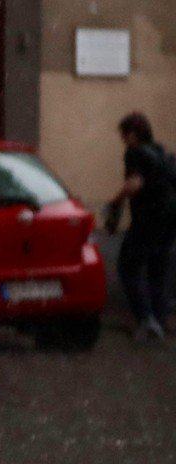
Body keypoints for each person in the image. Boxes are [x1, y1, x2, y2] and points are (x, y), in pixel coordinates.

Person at [106, 111, 176, 342]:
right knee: (159, 270)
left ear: (133, 134)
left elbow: (134, 184)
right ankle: (160, 318)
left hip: (147, 221)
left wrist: (115, 201)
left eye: (124, 135)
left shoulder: (135, 152)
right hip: (169, 220)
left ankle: (146, 320)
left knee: (128, 267)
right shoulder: (160, 151)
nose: (123, 140)